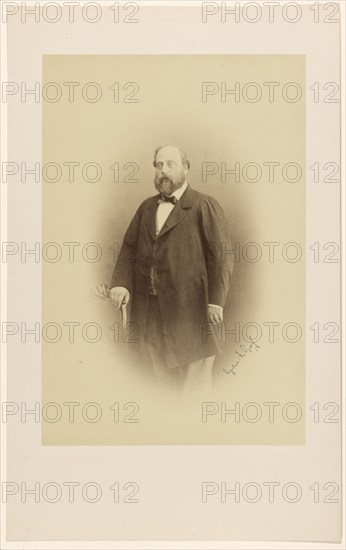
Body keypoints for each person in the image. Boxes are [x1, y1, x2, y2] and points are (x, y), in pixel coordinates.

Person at [109, 145, 234, 393]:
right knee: (161, 384)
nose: (163, 171)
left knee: (194, 389)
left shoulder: (204, 206)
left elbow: (221, 257)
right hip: (152, 311)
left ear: (186, 169)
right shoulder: (146, 207)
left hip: (192, 310)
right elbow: (129, 248)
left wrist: (215, 302)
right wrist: (120, 283)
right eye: (159, 165)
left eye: (170, 164)